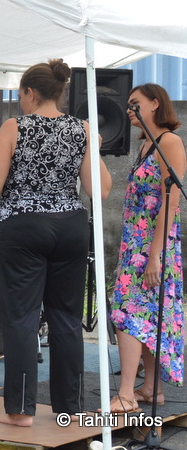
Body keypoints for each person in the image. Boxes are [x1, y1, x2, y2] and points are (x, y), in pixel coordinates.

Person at [0, 58, 111, 427]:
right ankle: (70, 407)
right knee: (66, 317)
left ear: (30, 92)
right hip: (70, 225)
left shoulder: (14, 126)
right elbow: (98, 190)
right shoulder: (81, 129)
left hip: (23, 227)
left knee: (21, 317)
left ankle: (20, 411)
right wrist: (92, 147)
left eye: (21, 94)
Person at [109, 83, 185, 413]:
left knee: (127, 313)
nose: (129, 108)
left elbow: (171, 201)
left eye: (135, 103)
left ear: (155, 104)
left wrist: (154, 255)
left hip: (151, 247)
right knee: (147, 316)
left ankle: (126, 394)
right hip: (136, 245)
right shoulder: (145, 148)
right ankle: (151, 389)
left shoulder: (169, 142)